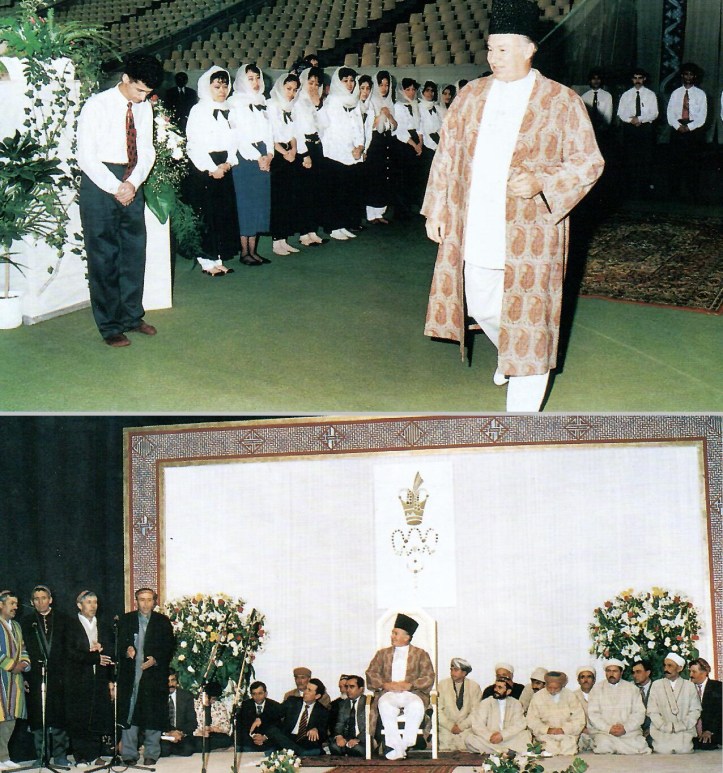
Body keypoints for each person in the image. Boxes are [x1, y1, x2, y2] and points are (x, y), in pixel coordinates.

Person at [422, 0, 604, 412]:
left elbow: (589, 162)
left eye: (503, 50)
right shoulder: (472, 94)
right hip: (479, 222)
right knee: (482, 302)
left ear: (529, 49)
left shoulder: (561, 101)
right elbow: (447, 153)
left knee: (531, 321)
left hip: (533, 229)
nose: (494, 58)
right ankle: (511, 349)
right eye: (490, 49)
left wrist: (542, 181)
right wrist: (437, 208)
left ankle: (521, 415)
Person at [76, 53, 165, 347]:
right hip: (101, 181)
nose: (143, 98)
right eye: (139, 90)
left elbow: (148, 150)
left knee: (133, 252)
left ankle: (131, 316)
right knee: (103, 255)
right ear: (125, 79)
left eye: (148, 93)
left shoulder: (143, 107)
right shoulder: (96, 105)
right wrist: (116, 187)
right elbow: (86, 156)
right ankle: (110, 325)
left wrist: (133, 182)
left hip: (130, 177)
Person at [185, 66, 240, 275]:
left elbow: (234, 140)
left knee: (221, 213)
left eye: (225, 86)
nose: (222, 90)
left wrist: (229, 162)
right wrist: (211, 168)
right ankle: (206, 260)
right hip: (204, 168)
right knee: (206, 215)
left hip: (223, 165)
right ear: (207, 87)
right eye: (217, 86)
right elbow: (194, 143)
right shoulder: (198, 110)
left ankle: (218, 257)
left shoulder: (228, 110)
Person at [116, 587, 175, 766]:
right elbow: (116, 645)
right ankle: (128, 754)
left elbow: (169, 648)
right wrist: (126, 651)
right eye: (142, 599)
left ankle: (151, 753)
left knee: (153, 714)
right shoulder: (125, 620)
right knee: (130, 714)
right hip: (131, 676)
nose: (146, 603)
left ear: (155, 601)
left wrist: (155, 660)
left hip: (153, 676)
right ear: (136, 601)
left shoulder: (163, 622)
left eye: (149, 599)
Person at [365, 612, 435, 760]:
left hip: (412, 693)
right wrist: (386, 684)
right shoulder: (382, 654)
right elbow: (371, 673)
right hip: (388, 693)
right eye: (392, 633)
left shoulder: (420, 654)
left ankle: (401, 746)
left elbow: (429, 676)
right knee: (384, 706)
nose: (392, 636)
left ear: (407, 637)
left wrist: (410, 685)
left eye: (395, 633)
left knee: (416, 706)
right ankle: (399, 746)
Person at [229, 63, 274, 265]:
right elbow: (238, 136)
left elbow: (269, 131)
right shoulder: (235, 103)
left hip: (263, 155)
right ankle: (244, 252)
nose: (255, 83)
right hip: (246, 158)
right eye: (250, 78)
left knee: (258, 202)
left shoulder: (262, 100)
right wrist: (258, 157)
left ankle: (254, 250)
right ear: (241, 80)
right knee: (245, 204)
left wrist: (270, 154)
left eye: (257, 78)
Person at [20, 584, 70, 767]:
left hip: (59, 676)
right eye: (36, 599)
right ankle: (41, 756)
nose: (40, 602)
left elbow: (69, 649)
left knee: (59, 716)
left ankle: (60, 755)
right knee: (37, 716)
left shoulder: (64, 620)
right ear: (32, 602)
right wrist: (25, 677)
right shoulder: (25, 622)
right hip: (34, 676)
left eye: (44, 598)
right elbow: (21, 651)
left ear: (51, 599)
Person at [63, 590, 113, 767]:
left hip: (98, 678)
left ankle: (94, 754)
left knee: (96, 715)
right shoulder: (70, 625)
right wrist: (94, 657)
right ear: (79, 605)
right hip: (77, 679)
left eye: (95, 602)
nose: (93, 606)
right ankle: (81, 756)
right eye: (89, 602)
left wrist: (103, 647)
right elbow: (69, 652)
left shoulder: (103, 625)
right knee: (80, 717)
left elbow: (111, 650)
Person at [319, 67, 366, 241]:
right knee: (335, 192)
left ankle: (344, 224)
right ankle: (333, 226)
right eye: (345, 80)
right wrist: (349, 149)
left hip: (352, 154)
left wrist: (360, 146)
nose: (349, 84)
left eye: (351, 80)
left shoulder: (354, 101)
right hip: (335, 154)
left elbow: (359, 126)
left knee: (347, 192)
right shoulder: (331, 102)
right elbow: (333, 132)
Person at [268, 72, 305, 255]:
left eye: (294, 90)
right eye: (288, 89)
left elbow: (293, 132)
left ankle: (284, 239)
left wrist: (294, 150)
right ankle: (276, 241)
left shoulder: (291, 107)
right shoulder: (271, 105)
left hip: (290, 154)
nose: (291, 93)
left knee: (289, 198)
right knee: (278, 199)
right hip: (277, 155)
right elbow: (271, 135)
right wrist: (284, 153)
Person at [294, 67, 328, 247]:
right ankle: (303, 232)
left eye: (317, 83)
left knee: (315, 190)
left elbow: (325, 125)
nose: (314, 87)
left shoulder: (317, 102)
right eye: (310, 82)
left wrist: (319, 106)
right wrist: (304, 154)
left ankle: (312, 230)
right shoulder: (298, 102)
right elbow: (298, 130)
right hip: (304, 148)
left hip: (317, 146)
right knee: (304, 192)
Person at [587, 659, 650, 754]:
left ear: (621, 672)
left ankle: (617, 747)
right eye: (608, 671)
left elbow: (639, 713)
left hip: (628, 732)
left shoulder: (632, 689)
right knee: (604, 744)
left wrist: (625, 728)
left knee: (640, 745)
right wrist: (608, 728)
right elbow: (593, 715)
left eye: (615, 671)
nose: (611, 674)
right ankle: (620, 747)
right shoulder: (596, 689)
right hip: (605, 732)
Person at [666, 62, 707, 200]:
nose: (688, 77)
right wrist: (678, 126)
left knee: (693, 163)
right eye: (685, 74)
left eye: (691, 74)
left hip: (694, 131)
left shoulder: (701, 94)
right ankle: (673, 192)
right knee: (674, 162)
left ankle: (693, 193)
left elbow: (702, 117)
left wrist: (689, 127)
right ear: (682, 75)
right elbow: (670, 113)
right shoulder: (675, 93)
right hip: (677, 129)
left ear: (695, 76)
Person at [0, 590, 31, 770]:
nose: (15, 607)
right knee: (1, 717)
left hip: (14, 681)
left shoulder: (17, 626)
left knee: (11, 718)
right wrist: (12, 665)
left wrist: (24, 664)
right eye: (12, 603)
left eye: (16, 604)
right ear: (1, 605)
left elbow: (24, 648)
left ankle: (4, 757)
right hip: (2, 678)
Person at [647, 652, 701, 754]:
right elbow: (652, 710)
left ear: (680, 668)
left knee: (684, 750)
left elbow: (695, 710)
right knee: (663, 750)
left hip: (683, 730)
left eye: (670, 665)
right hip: (662, 730)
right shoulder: (656, 685)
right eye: (665, 665)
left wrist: (681, 726)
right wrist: (664, 726)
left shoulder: (689, 686)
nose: (665, 669)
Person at [617, 68, 658, 198]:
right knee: (630, 157)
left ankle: (644, 188)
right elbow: (620, 113)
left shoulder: (651, 95)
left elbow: (654, 113)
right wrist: (631, 120)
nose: (637, 80)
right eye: (635, 78)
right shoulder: (626, 95)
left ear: (644, 79)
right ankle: (630, 188)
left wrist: (640, 119)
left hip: (645, 128)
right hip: (630, 128)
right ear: (632, 79)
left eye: (640, 78)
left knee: (645, 157)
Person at [465, 677, 531, 755]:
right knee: (469, 739)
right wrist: (490, 736)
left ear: (508, 691)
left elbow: (519, 724)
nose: (496, 690)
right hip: (489, 739)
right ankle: (506, 751)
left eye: (500, 687)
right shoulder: (486, 702)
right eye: (495, 686)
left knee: (526, 735)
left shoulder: (516, 703)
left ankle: (496, 751)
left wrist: (502, 735)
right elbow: (477, 725)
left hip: (508, 738)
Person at [266, 677, 329, 756]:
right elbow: (275, 712)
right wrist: (260, 719)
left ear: (317, 696)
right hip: (288, 737)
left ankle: (288, 751)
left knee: (313, 741)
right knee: (272, 730)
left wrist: (316, 729)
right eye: (306, 689)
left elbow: (323, 733)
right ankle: (301, 752)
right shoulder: (292, 701)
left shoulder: (322, 711)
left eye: (309, 690)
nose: (305, 692)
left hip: (305, 739)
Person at [526, 671, 585, 756]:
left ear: (562, 685)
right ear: (545, 685)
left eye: (556, 688)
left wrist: (564, 729)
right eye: (549, 687)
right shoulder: (538, 696)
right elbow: (531, 720)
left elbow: (579, 719)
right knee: (550, 750)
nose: (552, 691)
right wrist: (547, 730)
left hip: (566, 733)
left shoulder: (570, 695)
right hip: (545, 735)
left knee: (568, 750)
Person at [366, 71, 397, 224]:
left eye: (386, 85)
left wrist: (389, 115)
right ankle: (371, 214)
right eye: (381, 85)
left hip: (387, 140)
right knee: (374, 176)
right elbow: (369, 124)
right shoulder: (370, 100)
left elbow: (395, 125)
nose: (384, 88)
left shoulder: (390, 101)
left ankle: (380, 213)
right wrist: (380, 114)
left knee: (385, 175)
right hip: (374, 141)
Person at [393, 77, 423, 218]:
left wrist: (420, 143)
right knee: (402, 178)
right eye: (408, 89)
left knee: (413, 176)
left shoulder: (415, 104)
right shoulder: (398, 106)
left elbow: (419, 125)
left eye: (413, 89)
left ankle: (410, 206)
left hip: (416, 140)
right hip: (404, 143)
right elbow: (401, 130)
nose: (411, 92)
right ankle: (401, 210)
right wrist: (414, 145)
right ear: (402, 90)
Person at [438, 657, 482, 751]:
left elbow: (476, 712)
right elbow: (437, 710)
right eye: (451, 669)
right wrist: (450, 726)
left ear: (464, 673)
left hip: (466, 729)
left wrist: (461, 727)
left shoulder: (474, 687)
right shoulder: (442, 685)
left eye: (456, 670)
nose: (452, 672)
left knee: (467, 753)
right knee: (445, 753)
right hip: (447, 729)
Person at [235, 679, 282, 752]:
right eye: (254, 694)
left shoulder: (275, 706)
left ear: (265, 693)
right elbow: (241, 725)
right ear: (251, 694)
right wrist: (253, 736)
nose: (257, 696)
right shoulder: (246, 705)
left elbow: (277, 725)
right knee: (239, 748)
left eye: (260, 693)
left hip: (268, 741)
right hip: (251, 741)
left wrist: (264, 737)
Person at [161, 670, 197, 757]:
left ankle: (172, 748)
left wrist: (180, 733)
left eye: (173, 680)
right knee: (164, 750)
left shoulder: (186, 696)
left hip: (181, 734)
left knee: (188, 750)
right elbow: (155, 721)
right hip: (165, 734)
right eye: (167, 681)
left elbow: (192, 721)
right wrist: (168, 733)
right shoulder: (157, 696)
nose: (171, 684)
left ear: (177, 681)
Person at [689, 657, 722, 749]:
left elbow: (719, 713)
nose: (690, 674)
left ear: (704, 673)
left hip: (712, 731)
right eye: (690, 671)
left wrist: (709, 731)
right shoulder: (687, 688)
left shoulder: (718, 687)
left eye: (694, 672)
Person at [329, 675, 366, 756]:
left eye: (352, 687)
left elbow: (371, 726)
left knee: (356, 750)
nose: (348, 690)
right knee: (334, 747)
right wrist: (339, 736)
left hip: (362, 740)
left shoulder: (368, 703)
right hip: (346, 739)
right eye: (347, 687)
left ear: (361, 689)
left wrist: (357, 739)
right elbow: (339, 723)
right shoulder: (343, 704)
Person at [193, 680, 233, 752]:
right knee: (198, 742)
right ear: (206, 695)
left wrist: (213, 729)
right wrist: (200, 732)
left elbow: (227, 727)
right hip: (200, 735)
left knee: (227, 740)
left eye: (215, 699)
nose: (214, 701)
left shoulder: (220, 705)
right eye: (213, 698)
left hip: (214, 735)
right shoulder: (195, 704)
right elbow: (190, 726)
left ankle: (207, 747)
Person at [581, 68, 613, 134]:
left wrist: (602, 128)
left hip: (603, 130)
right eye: (593, 79)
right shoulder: (584, 96)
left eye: (598, 78)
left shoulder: (607, 96)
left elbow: (608, 116)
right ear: (590, 81)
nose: (596, 81)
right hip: (588, 129)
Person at [572, 665, 595, 751]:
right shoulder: (572, 696)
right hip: (580, 732)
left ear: (594, 680)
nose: (586, 680)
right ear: (578, 680)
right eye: (582, 677)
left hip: (597, 731)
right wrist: (582, 729)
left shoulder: (601, 694)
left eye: (589, 677)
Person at [631, 659, 653, 748]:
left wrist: (651, 729)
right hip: (634, 730)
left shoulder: (658, 687)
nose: (635, 675)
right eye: (633, 672)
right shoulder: (630, 688)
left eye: (638, 672)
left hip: (654, 729)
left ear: (648, 673)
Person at [326, 674, 349, 744]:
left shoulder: (359, 702)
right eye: (340, 687)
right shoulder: (334, 704)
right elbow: (331, 725)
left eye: (345, 686)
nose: (342, 690)